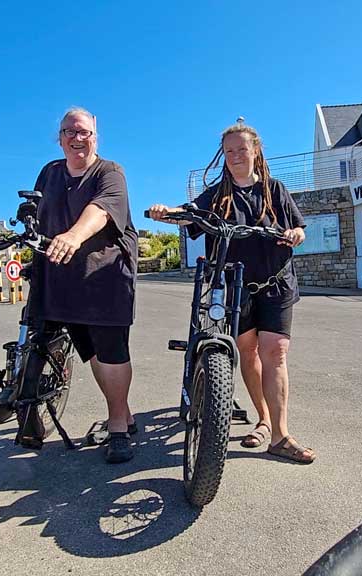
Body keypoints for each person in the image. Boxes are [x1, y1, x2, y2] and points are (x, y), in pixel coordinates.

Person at [148, 121, 316, 464]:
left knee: (276, 351)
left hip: (276, 282)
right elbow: (188, 215)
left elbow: (298, 226)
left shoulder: (275, 190)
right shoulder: (216, 195)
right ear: (223, 157)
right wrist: (165, 213)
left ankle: (281, 435)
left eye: (242, 149)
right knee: (247, 351)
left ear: (255, 151)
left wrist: (297, 234)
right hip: (234, 285)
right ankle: (264, 419)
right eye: (229, 151)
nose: (236, 156)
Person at [25, 107, 139, 463]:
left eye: (84, 132)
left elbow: (101, 210)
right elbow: (35, 211)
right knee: (90, 352)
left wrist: (73, 235)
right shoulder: (49, 173)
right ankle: (124, 413)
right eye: (69, 132)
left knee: (111, 352)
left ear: (95, 136)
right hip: (62, 277)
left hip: (104, 276)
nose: (77, 138)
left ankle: (119, 426)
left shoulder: (110, 172)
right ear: (59, 138)